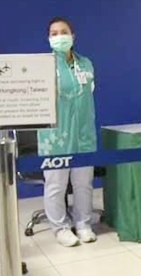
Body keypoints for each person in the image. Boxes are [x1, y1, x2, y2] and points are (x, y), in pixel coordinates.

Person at [37, 17, 98, 247]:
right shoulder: (44, 65)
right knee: (56, 184)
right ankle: (60, 228)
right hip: (56, 136)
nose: (59, 36)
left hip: (84, 133)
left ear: (73, 36)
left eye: (64, 32)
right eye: (54, 33)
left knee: (84, 182)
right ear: (49, 39)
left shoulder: (86, 64)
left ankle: (83, 223)